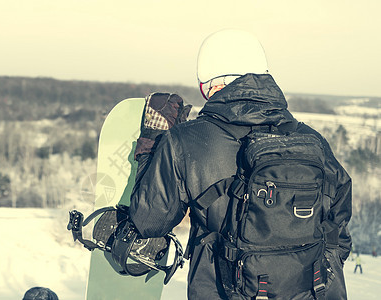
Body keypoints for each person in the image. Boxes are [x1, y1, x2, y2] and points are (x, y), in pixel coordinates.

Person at [129, 29, 352, 299]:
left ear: (212, 85)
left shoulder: (185, 140)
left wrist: (153, 142)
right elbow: (339, 233)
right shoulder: (313, 141)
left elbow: (148, 220)